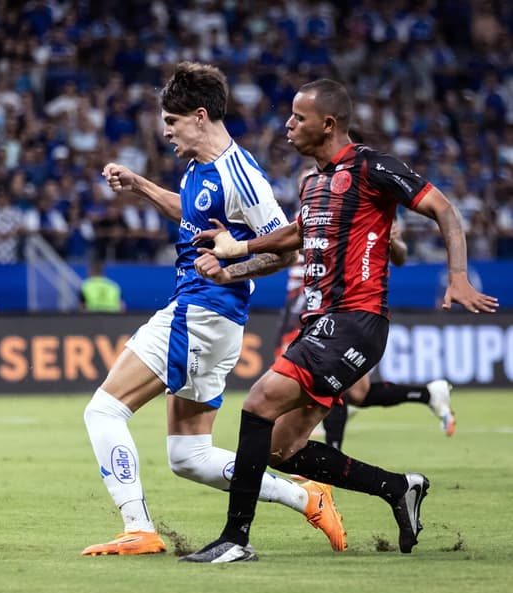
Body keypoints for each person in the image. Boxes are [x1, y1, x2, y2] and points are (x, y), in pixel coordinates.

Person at [186, 79, 499, 562]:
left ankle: (235, 539)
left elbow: (444, 209)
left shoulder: (372, 167)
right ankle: (399, 488)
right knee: (281, 447)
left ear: (327, 124)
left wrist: (457, 277)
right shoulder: (311, 182)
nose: (288, 124)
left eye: (298, 117)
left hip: (356, 319)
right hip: (320, 323)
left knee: (258, 403)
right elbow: (295, 235)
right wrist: (236, 255)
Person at [81, 63, 346, 558]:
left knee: (104, 411)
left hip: (202, 311)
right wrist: (140, 185)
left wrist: (232, 271)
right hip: (209, 316)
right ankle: (305, 494)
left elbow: (287, 249)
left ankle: (138, 527)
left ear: (200, 117)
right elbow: (190, 211)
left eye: (172, 122)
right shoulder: (199, 167)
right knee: (190, 456)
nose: (165, 132)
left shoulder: (240, 175)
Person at [277, 219, 457, 449]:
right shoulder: (312, 209)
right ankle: (429, 394)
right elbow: (293, 247)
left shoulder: (369, 209)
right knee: (358, 392)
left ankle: (325, 466)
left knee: (332, 381)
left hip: (347, 307)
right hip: (307, 306)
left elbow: (399, 257)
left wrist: (393, 241)